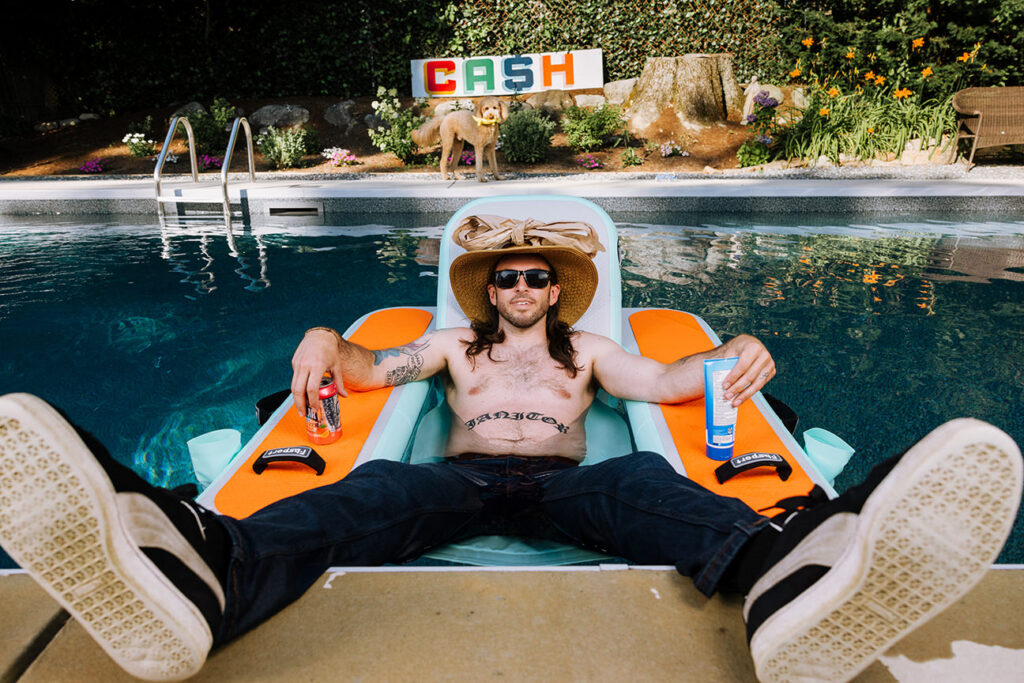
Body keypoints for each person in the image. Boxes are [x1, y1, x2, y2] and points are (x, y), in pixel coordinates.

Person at [0, 241, 1021, 683]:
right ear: (489, 290)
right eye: (507, 278)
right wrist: (320, 335)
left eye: (536, 277)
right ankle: (201, 568)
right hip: (459, 480)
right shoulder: (453, 347)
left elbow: (676, 384)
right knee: (368, 492)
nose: (522, 288)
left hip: (572, 486)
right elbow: (369, 366)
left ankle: (789, 577)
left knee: (649, 485)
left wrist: (742, 348)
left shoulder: (593, 353)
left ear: (556, 289)